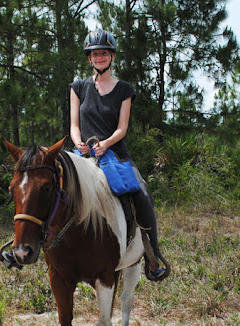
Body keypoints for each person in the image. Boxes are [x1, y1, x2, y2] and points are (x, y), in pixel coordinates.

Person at [69, 29, 169, 281]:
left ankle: (152, 255)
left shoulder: (124, 89)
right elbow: (74, 125)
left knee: (142, 194)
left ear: (111, 56)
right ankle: (36, 246)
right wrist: (78, 142)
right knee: (51, 184)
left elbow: (122, 128)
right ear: (89, 58)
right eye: (95, 53)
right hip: (83, 153)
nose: (99, 57)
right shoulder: (78, 87)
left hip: (114, 153)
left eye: (104, 53)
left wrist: (105, 143)